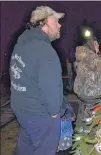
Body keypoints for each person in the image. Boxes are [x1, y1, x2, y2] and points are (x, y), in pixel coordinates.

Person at [10, 6, 65, 155]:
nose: (60, 25)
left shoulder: (21, 45)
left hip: (22, 111)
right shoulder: (45, 51)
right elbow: (51, 87)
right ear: (43, 22)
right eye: (56, 21)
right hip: (41, 115)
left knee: (26, 149)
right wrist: (54, 112)